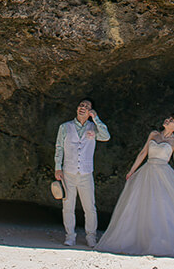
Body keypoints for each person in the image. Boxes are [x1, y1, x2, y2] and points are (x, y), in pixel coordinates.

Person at [96, 113, 174, 258]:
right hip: (147, 171)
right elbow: (143, 153)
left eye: (172, 120)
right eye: (168, 118)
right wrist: (132, 170)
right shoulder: (154, 134)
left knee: (162, 205)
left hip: (164, 174)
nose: (167, 120)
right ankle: (140, 239)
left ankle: (161, 241)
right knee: (141, 204)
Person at [54, 98, 110, 247]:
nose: (82, 108)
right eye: (81, 105)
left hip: (86, 173)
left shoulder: (93, 127)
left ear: (90, 110)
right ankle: (70, 236)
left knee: (90, 207)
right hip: (68, 172)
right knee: (68, 206)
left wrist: (96, 118)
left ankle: (91, 236)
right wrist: (57, 167)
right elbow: (59, 147)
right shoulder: (65, 127)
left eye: (86, 106)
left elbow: (106, 136)